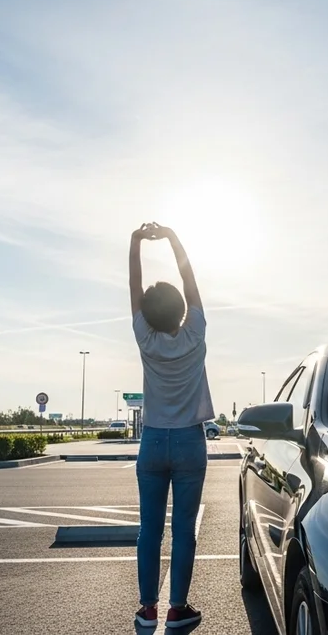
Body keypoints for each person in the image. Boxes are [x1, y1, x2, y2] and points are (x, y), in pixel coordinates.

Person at [129, 222, 214, 629]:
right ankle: (177, 608)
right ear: (182, 310)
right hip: (189, 443)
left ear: (146, 314)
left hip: (151, 443)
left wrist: (135, 243)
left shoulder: (144, 338)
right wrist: (174, 238)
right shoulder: (195, 332)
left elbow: (133, 286)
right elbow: (190, 279)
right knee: (184, 530)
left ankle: (148, 609)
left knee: (150, 530)